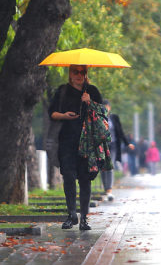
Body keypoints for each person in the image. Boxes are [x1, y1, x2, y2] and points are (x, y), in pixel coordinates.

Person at [48, 64, 105, 231]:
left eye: (82, 72)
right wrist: (64, 116)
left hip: (88, 143)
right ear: (70, 74)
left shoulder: (92, 91)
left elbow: (102, 114)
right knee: (69, 176)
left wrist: (90, 103)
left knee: (85, 179)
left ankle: (84, 218)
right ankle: (71, 214)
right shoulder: (62, 91)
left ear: (86, 74)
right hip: (66, 141)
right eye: (76, 72)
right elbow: (52, 113)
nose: (79, 75)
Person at [100, 100, 134, 201]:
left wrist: (127, 143)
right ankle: (106, 188)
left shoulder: (114, 118)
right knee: (103, 168)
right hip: (101, 146)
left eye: (107, 107)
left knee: (110, 166)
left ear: (109, 108)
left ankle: (109, 191)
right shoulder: (96, 118)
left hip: (113, 145)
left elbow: (120, 132)